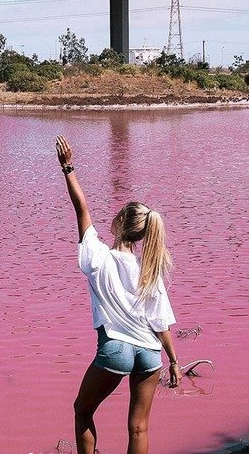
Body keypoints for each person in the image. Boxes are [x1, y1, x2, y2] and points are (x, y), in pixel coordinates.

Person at [56, 134, 181, 454]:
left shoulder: (97, 256)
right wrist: (175, 362)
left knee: (82, 410)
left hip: (116, 349)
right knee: (139, 427)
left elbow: (80, 208)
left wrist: (67, 166)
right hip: (150, 353)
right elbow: (161, 322)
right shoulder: (149, 267)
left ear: (120, 222)